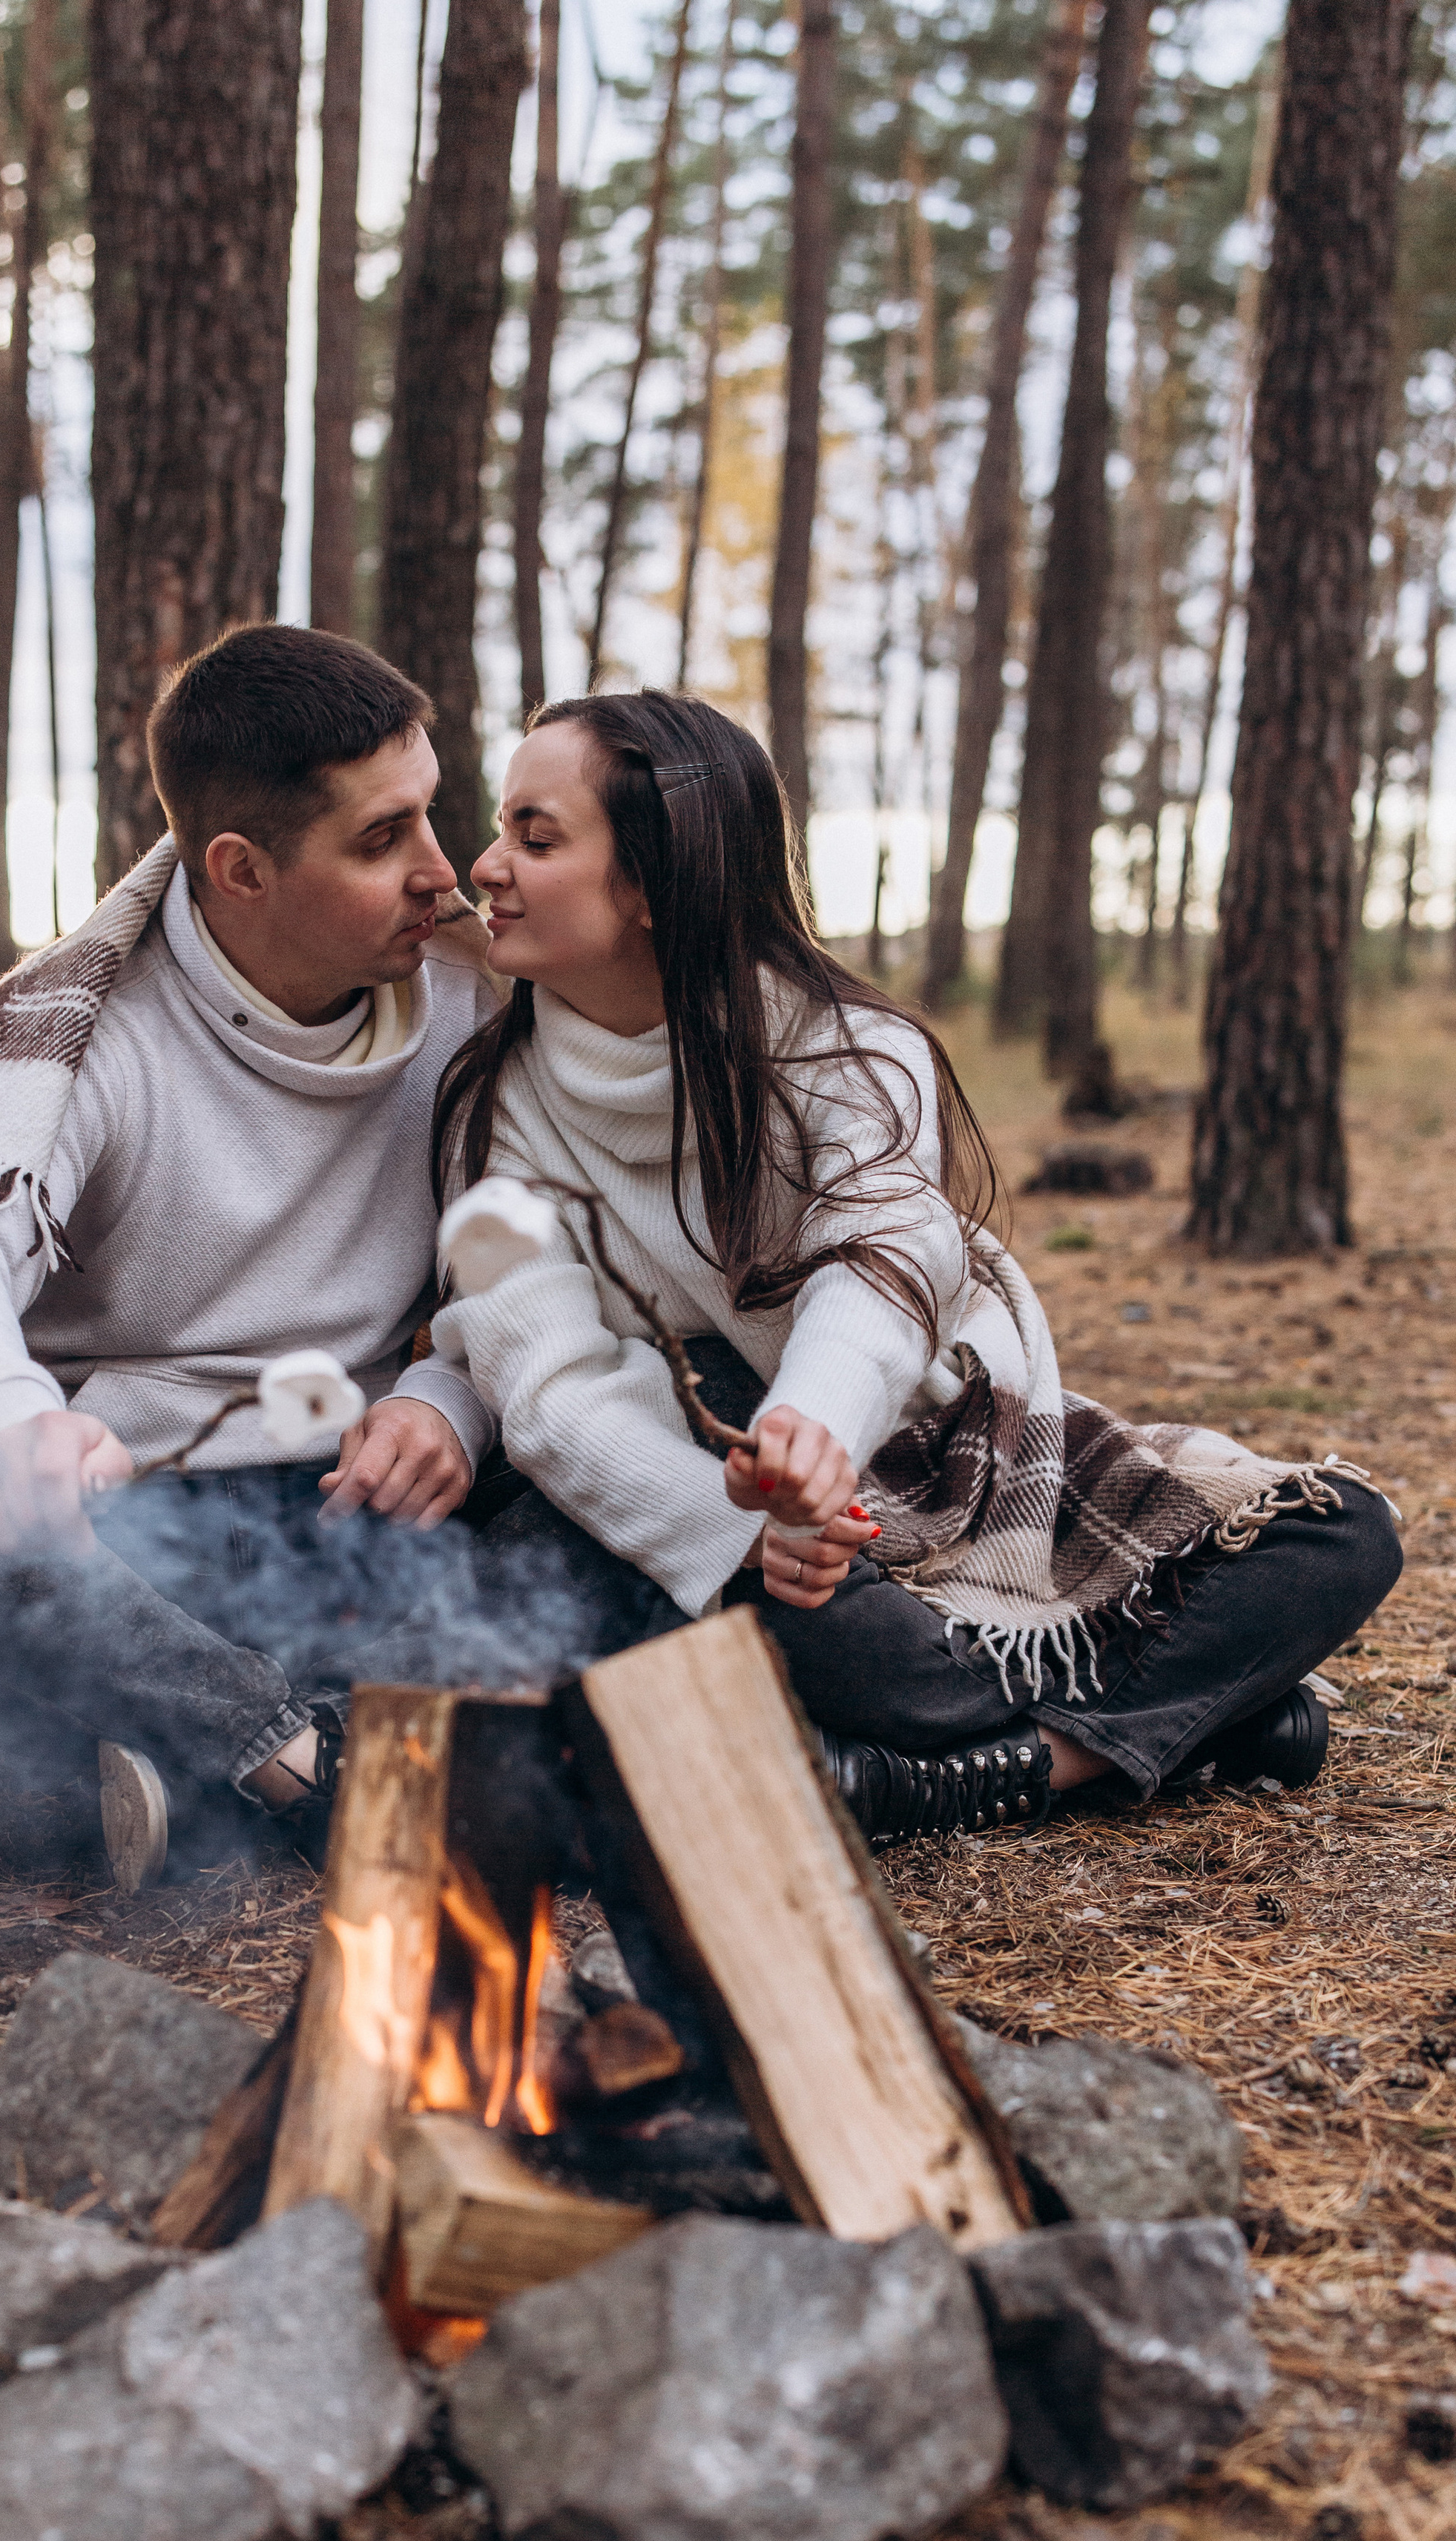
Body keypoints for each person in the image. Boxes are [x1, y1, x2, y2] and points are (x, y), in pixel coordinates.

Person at [0, 630, 650, 1884]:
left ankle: (103, 1736)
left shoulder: (473, 998)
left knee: (624, 1429)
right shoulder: (80, 1032)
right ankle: (287, 1759)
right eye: (382, 839)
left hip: (348, 1517)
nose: (443, 873)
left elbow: (526, 1256)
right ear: (240, 870)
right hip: (123, 1534)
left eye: (431, 815)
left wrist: (445, 1399)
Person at [422, 689, 1403, 1842]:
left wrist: (815, 1432)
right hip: (721, 1491)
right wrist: (748, 1523)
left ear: (651, 884)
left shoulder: (850, 1049)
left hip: (950, 1441)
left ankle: (974, 1776)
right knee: (845, 1641)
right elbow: (547, 1387)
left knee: (1343, 1532)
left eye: (536, 839)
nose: (486, 865)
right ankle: (1216, 1724)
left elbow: (889, 1252)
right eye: (503, 831)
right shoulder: (497, 1111)